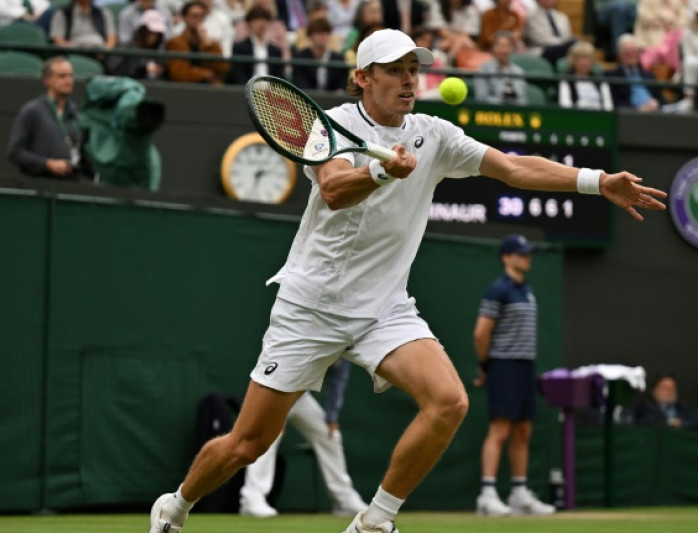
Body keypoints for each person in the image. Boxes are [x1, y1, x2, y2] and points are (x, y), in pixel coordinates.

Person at [146, 27, 667, 533]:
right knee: (247, 444)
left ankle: (375, 520)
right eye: (395, 70)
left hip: (384, 309)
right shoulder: (329, 124)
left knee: (449, 402)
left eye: (414, 70)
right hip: (311, 305)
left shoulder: (435, 134)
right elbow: (332, 189)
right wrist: (380, 171)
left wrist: (596, 182)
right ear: (363, 78)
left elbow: (511, 169)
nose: (409, 80)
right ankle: (175, 506)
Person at [473, 234, 556, 517]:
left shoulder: (527, 290)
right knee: (500, 430)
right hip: (503, 365)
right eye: (520, 254)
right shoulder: (498, 290)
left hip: (525, 367)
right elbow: (481, 332)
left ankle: (519, 494)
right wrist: (486, 366)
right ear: (506, 257)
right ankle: (487, 495)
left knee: (523, 430)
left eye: (527, 254)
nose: (526, 258)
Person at [238, 360, 367, 518]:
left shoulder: (346, 346)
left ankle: (344, 500)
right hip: (276, 390)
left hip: (301, 396)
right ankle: (251, 498)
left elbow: (337, 380)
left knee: (330, 435)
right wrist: (279, 412)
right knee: (268, 436)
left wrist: (331, 416)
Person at [8, 56, 93, 180]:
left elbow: (83, 156)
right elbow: (15, 153)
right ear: (47, 80)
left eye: (70, 76)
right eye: (62, 76)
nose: (68, 81)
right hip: (38, 185)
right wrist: (47, 164)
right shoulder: (32, 111)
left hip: (69, 185)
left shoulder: (76, 114)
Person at [165, 0, 230, 84]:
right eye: (194, 16)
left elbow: (222, 69)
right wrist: (205, 74)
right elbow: (179, 73)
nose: (198, 20)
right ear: (185, 18)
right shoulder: (175, 42)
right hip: (185, 89)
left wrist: (209, 46)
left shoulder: (211, 43)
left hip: (210, 89)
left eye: (201, 17)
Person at [605, 33, 662, 111]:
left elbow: (661, 99)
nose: (631, 55)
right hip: (630, 117)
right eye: (627, 52)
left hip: (655, 114)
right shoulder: (612, 76)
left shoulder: (648, 75)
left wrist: (657, 103)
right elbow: (615, 104)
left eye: (633, 51)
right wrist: (639, 109)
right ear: (619, 54)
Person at [230, 5, 285, 84]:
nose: (262, 23)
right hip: (246, 92)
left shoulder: (276, 51)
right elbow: (238, 75)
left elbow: (279, 78)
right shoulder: (239, 48)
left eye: (265, 19)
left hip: (270, 94)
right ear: (249, 23)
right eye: (257, 19)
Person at [107, 9, 168, 79]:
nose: (153, 37)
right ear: (142, 31)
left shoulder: (159, 54)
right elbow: (114, 70)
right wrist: (143, 68)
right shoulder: (125, 49)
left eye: (157, 34)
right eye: (150, 33)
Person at [293, 17, 349, 91]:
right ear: (310, 36)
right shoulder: (300, 57)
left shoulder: (338, 58)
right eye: (318, 33)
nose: (323, 36)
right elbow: (300, 82)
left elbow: (342, 84)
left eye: (326, 33)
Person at [474, 31, 527, 105]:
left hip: (516, 113)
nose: (503, 49)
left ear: (511, 48)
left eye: (507, 45)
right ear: (493, 48)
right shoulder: (484, 69)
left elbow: (523, 99)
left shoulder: (518, 71)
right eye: (500, 45)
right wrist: (504, 103)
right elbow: (481, 98)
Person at [558, 40, 613, 110]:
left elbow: (608, 106)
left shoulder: (600, 81)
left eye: (588, 59)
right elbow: (565, 105)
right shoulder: (566, 80)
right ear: (574, 60)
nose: (586, 63)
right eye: (582, 59)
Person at [634, 374, 698, 430]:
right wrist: (669, 423)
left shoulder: (682, 406)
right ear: (654, 391)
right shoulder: (647, 407)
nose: (670, 391)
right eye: (665, 388)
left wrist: (683, 424)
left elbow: (697, 423)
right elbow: (647, 423)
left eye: (673, 388)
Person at [49, 0, 117, 49]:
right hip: (74, 51)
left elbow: (111, 38)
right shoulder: (62, 13)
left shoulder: (104, 13)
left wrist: (104, 51)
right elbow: (57, 39)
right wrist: (76, 49)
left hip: (100, 51)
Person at [523, 0, 574, 65]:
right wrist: (563, 44)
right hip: (542, 50)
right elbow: (539, 39)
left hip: (563, 49)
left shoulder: (562, 17)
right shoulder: (531, 15)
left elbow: (568, 37)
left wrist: (565, 44)